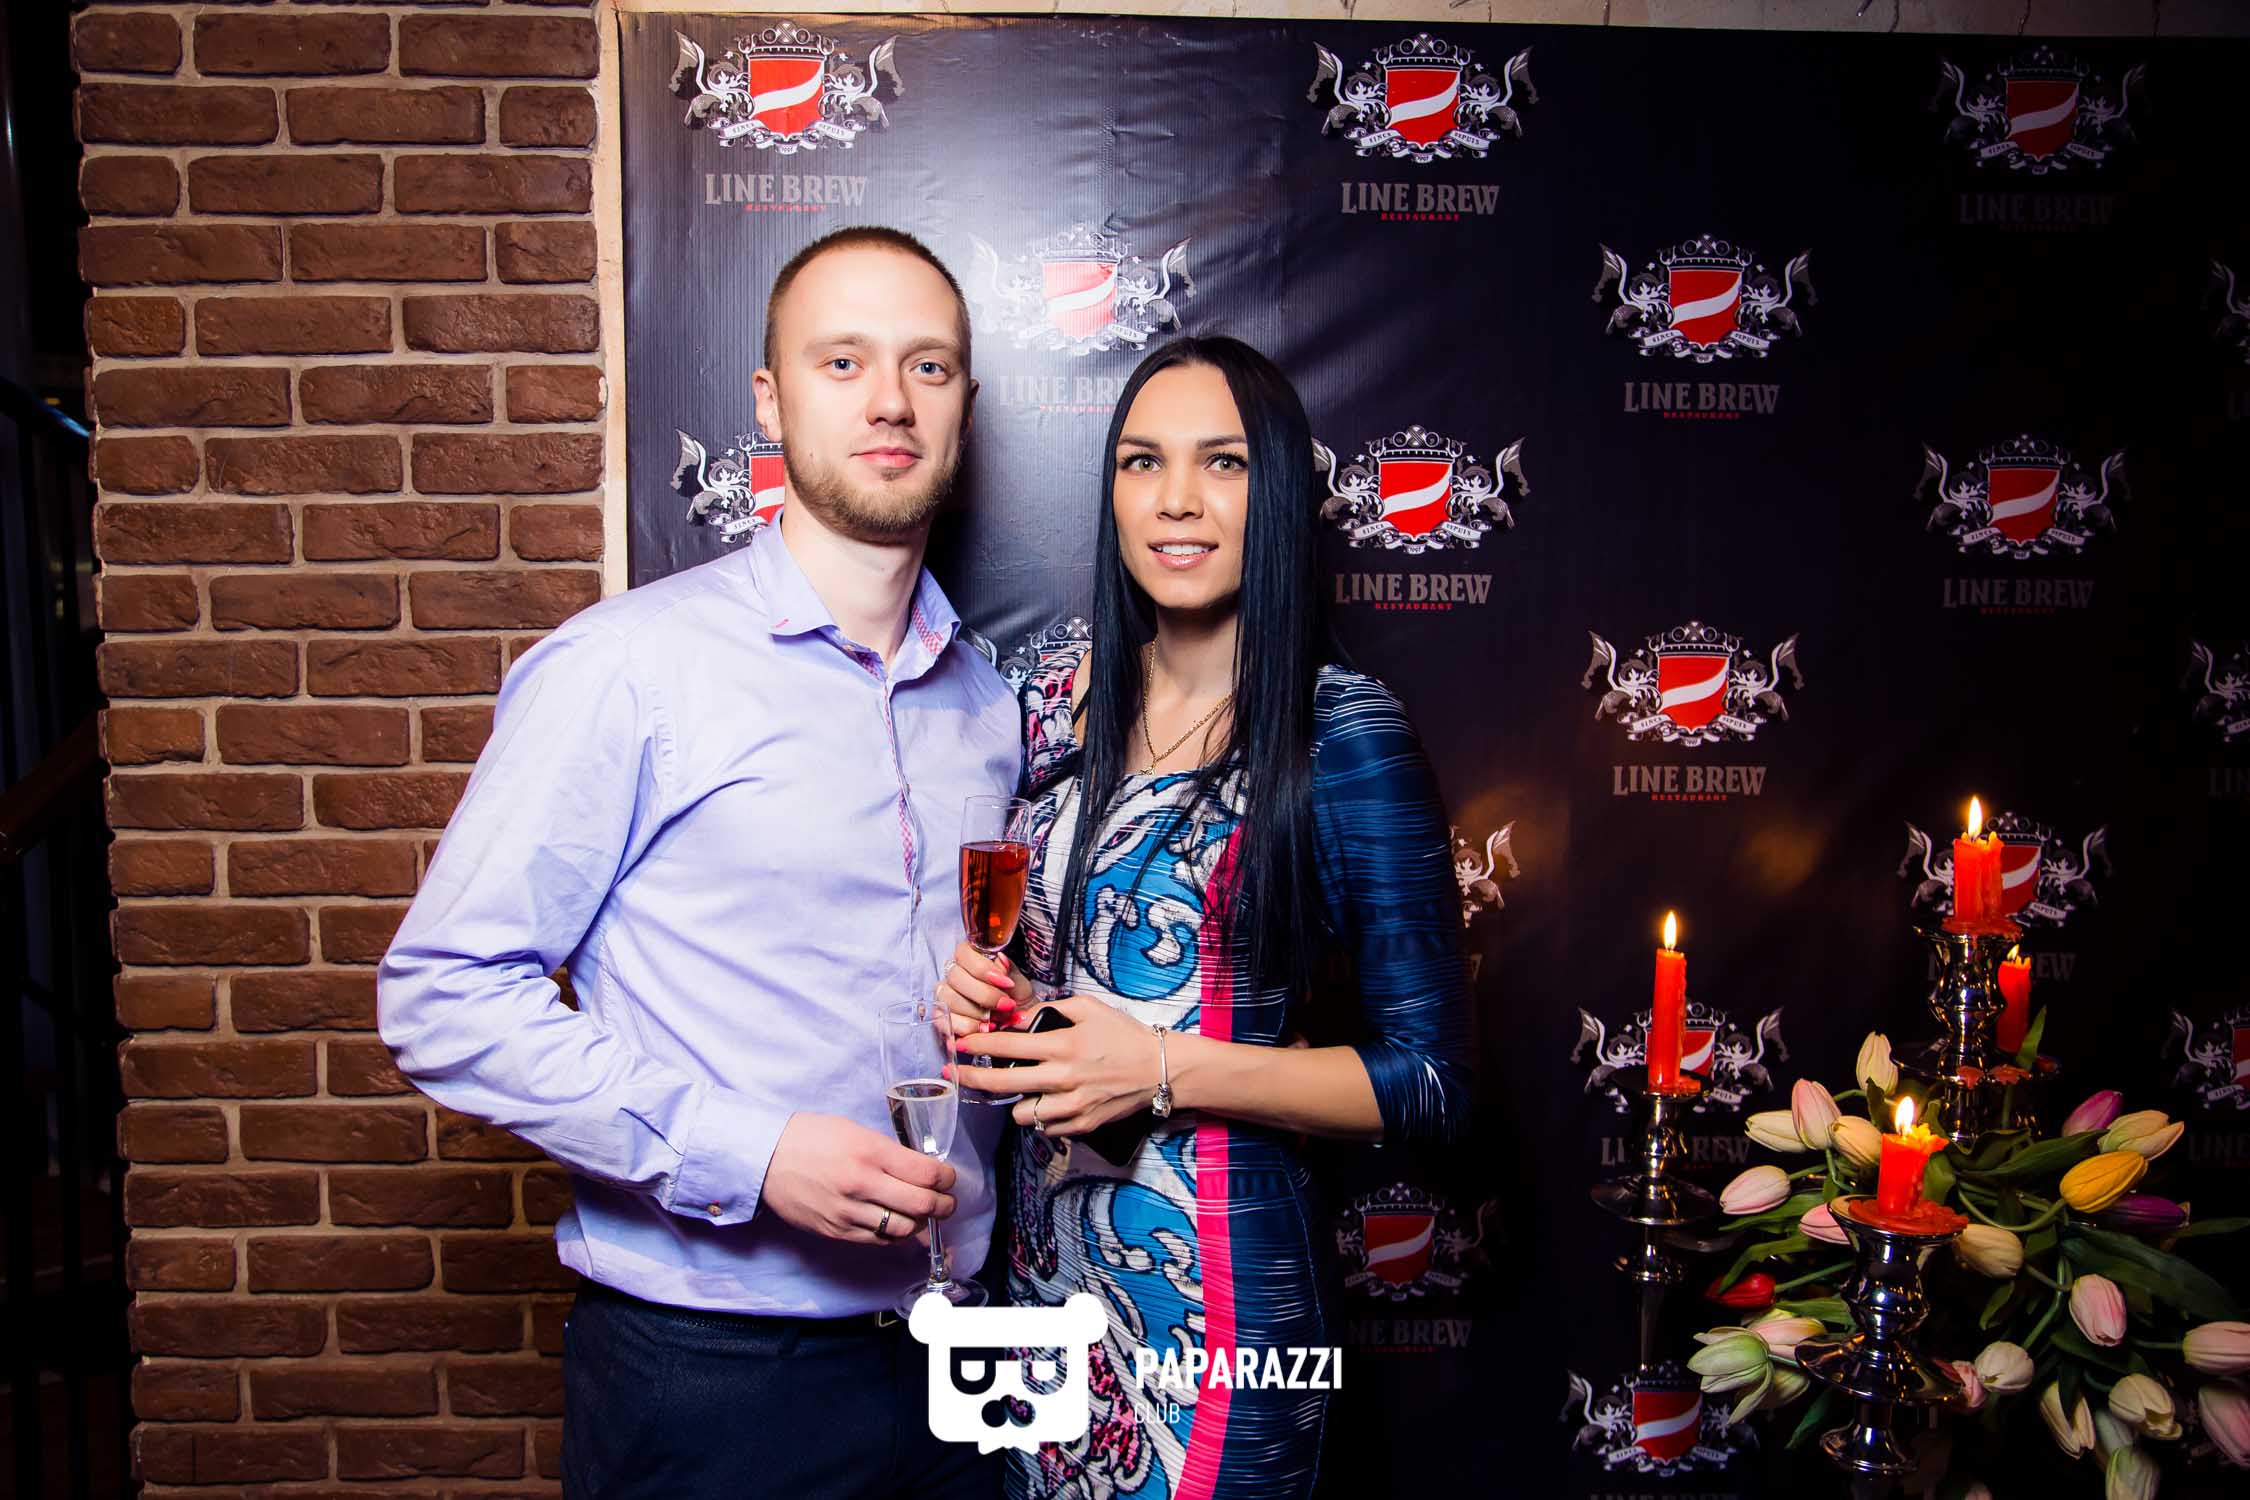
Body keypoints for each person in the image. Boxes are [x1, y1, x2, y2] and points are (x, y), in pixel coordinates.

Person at [378, 226, 1014, 1500]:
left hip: (960, 1357)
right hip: (714, 1376)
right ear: (771, 401)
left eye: (928, 366)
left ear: (963, 405)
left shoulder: (985, 702)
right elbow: (441, 996)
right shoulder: (629, 667)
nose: (891, 401)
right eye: (843, 361)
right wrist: (750, 1151)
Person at [942, 337, 1473, 1500]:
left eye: (1221, 462)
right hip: (1039, 1293)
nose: (1175, 499)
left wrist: (1163, 1069)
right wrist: (1001, 1001)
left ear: (1275, 489)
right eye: (1142, 462)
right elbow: (1070, 984)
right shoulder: (1059, 697)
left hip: (1217, 1313)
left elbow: (1429, 1083)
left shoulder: (1341, 730)